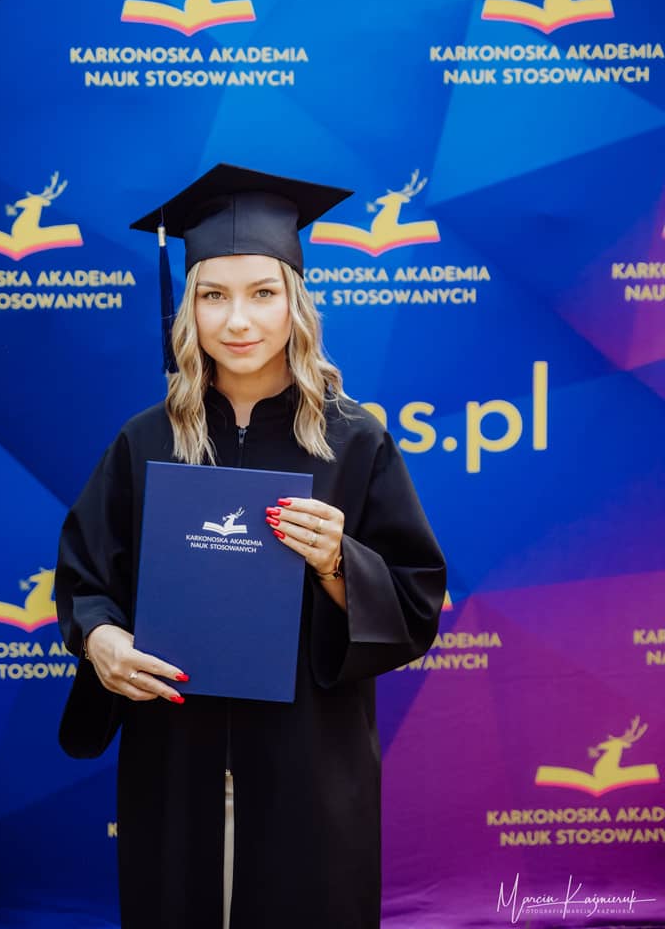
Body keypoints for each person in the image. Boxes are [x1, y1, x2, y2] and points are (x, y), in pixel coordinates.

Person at [55, 164, 446, 929]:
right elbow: (85, 579)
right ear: (188, 308)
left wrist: (339, 562)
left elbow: (415, 596)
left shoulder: (354, 440)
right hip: (175, 753)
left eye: (263, 293)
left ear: (295, 302)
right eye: (213, 295)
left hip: (308, 759)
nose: (238, 320)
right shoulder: (146, 441)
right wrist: (100, 640)